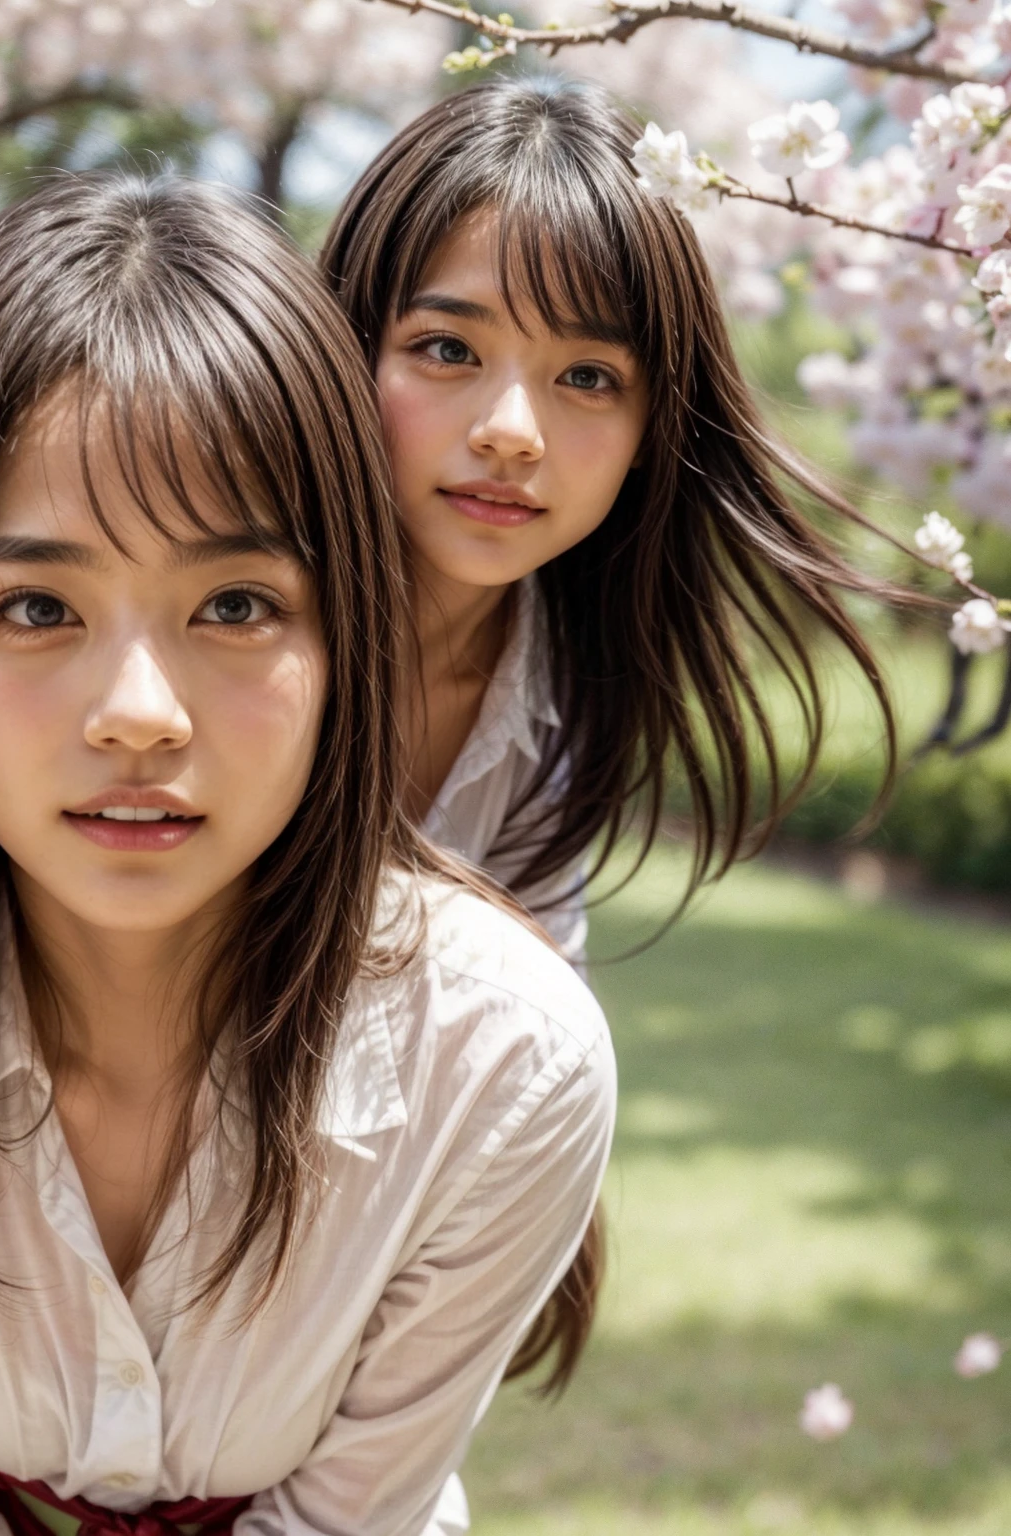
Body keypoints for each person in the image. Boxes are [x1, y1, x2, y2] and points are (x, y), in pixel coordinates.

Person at [0, 177, 615, 1536]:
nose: (141, 717)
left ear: (350, 640)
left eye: (236, 604)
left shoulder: (505, 1065)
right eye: (37, 605)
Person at [320, 77, 902, 963]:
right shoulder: (212, 626)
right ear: (346, 347)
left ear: (650, 429)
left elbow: (530, 1050)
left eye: (588, 377)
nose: (511, 434)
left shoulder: (561, 689)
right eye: (447, 349)